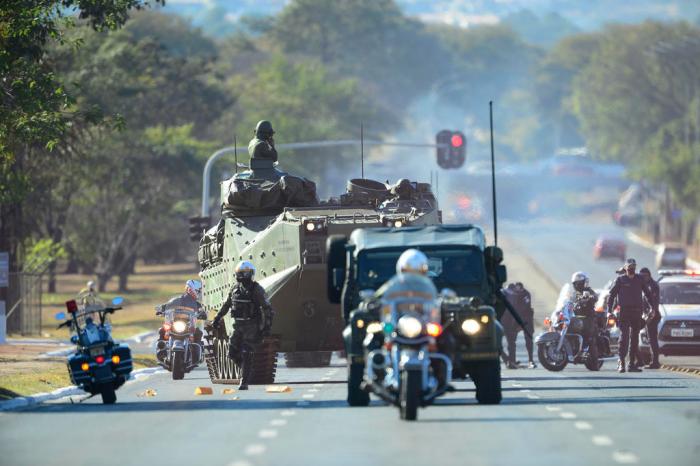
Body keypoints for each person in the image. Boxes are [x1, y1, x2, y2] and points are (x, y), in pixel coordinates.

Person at [213, 261, 274, 390]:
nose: (242, 276)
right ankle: (247, 369)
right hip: (238, 326)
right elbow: (227, 304)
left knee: (247, 352)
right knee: (231, 354)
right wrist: (218, 317)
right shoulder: (234, 289)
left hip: (251, 325)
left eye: (245, 273)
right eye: (240, 273)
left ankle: (244, 381)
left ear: (250, 274)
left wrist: (266, 328)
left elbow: (267, 309)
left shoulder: (256, 289)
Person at [606, 258, 653, 373]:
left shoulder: (639, 279)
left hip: (637, 312)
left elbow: (647, 294)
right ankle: (621, 362)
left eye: (633, 266)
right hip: (624, 313)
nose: (632, 268)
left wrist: (652, 308)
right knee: (624, 337)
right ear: (626, 268)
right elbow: (611, 296)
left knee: (634, 339)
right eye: (630, 266)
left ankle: (631, 364)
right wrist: (609, 311)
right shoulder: (620, 280)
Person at [156, 280, 206, 363]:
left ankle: (197, 355)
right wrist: (161, 309)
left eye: (199, 291)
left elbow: (202, 311)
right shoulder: (177, 299)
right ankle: (161, 351)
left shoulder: (197, 304)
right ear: (190, 289)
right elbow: (167, 305)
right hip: (175, 324)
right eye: (198, 291)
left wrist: (203, 314)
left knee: (198, 333)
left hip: (188, 326)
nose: (199, 293)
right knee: (162, 330)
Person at [502, 282, 536, 369]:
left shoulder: (525, 294)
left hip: (525, 319)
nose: (514, 293)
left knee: (528, 339)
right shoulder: (506, 295)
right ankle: (510, 360)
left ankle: (530, 360)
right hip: (511, 320)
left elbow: (524, 308)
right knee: (511, 341)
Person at [570, 272, 600, 363]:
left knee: (589, 336)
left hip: (588, 317)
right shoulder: (574, 294)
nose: (585, 284)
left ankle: (594, 360)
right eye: (583, 282)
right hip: (577, 318)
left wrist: (590, 297)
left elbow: (595, 297)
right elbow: (569, 302)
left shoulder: (588, 291)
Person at [639, 267, 661, 369]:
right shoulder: (644, 285)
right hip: (647, 315)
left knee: (652, 339)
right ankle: (651, 361)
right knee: (649, 338)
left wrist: (651, 314)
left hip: (653, 315)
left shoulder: (653, 286)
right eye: (641, 276)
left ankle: (655, 362)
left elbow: (654, 302)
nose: (642, 278)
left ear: (649, 275)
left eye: (644, 276)